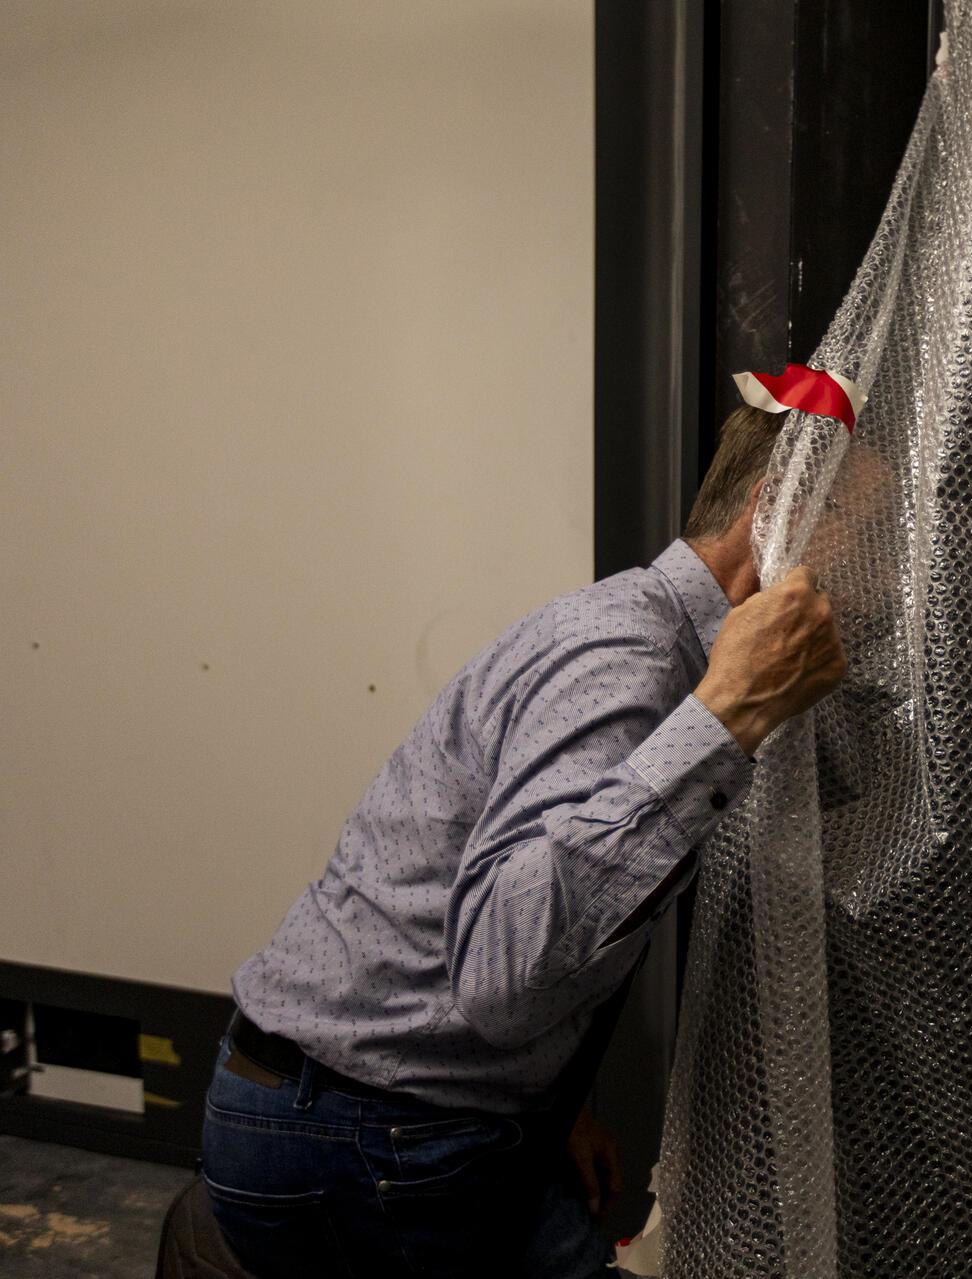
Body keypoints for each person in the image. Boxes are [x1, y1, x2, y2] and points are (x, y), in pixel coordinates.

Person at [197, 404, 844, 1279]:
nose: (874, 586)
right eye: (864, 541)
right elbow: (502, 968)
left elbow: (522, 932)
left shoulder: (651, 642)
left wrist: (548, 1105)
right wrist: (729, 717)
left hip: (387, 1107)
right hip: (357, 1132)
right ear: (779, 516)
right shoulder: (626, 655)